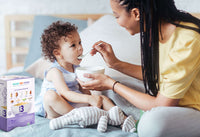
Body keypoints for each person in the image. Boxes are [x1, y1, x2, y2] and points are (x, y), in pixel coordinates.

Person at [77, 0, 200, 137]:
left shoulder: (186, 40)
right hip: (173, 99)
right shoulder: (159, 31)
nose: (117, 21)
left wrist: (111, 84)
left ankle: (135, 118)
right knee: (109, 91)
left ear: (136, 13)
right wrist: (115, 64)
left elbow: (162, 104)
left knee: (151, 124)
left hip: (194, 109)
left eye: (117, 16)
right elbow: (160, 76)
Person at [34, 21, 136, 132]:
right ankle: (84, 117)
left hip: (74, 105)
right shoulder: (55, 71)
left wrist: (93, 99)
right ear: (58, 53)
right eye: (73, 45)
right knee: (50, 96)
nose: (80, 48)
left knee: (103, 99)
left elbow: (83, 90)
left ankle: (124, 121)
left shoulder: (77, 68)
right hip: (56, 110)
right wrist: (89, 99)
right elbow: (66, 93)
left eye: (80, 43)